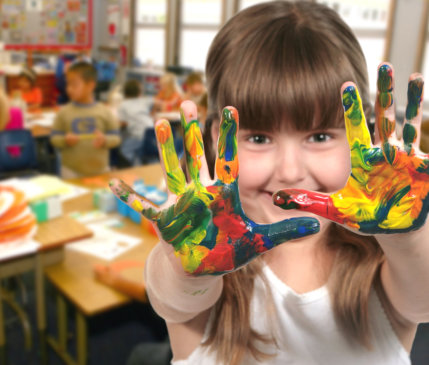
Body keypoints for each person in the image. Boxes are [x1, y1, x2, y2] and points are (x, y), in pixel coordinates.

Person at [110, 2, 429, 365]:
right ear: (218, 140)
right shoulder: (207, 252)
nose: (290, 172)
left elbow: (423, 299)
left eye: (320, 136)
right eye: (259, 138)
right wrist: (186, 270)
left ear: (364, 136)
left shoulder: (390, 259)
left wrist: (407, 238)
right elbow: (174, 296)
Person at [50, 61, 120, 178]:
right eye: (68, 84)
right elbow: (54, 138)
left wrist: (105, 140)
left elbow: (116, 138)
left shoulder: (104, 111)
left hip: (100, 169)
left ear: (90, 86)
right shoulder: (64, 111)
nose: (69, 89)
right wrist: (64, 140)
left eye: (74, 85)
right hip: (70, 170)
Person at [117, 79, 154, 165]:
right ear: (139, 93)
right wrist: (153, 112)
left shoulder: (123, 105)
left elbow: (123, 123)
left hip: (138, 136)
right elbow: (157, 102)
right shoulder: (144, 101)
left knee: (123, 150)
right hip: (151, 133)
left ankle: (137, 165)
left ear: (124, 93)